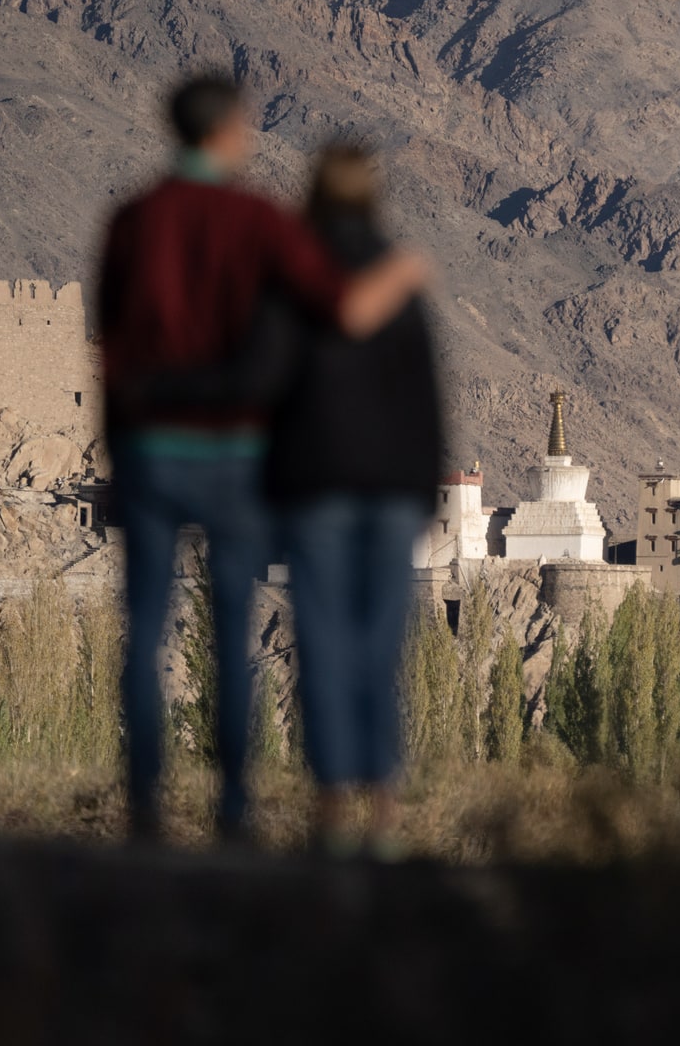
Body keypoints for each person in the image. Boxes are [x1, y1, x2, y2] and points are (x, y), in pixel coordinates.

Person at [96, 77, 427, 843]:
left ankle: (145, 801)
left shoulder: (132, 220)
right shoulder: (259, 221)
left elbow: (107, 350)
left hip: (149, 447)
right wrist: (405, 274)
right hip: (234, 455)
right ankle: (234, 803)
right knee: (231, 628)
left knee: (143, 628)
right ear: (231, 131)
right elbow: (340, 309)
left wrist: (119, 450)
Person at [267, 141, 444, 856]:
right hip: (393, 491)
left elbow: (271, 390)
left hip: (317, 490)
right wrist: (424, 492)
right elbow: (426, 399)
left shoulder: (290, 281)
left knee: (325, 644)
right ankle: (385, 806)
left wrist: (274, 483)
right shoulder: (399, 283)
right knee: (380, 645)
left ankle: (333, 802)